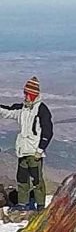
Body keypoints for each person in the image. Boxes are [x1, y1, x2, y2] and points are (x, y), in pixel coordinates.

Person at [1, 77, 53, 211]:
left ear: (32, 94)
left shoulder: (41, 109)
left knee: (37, 180)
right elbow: (8, 112)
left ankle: (40, 206)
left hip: (34, 151)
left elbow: (48, 131)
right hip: (23, 150)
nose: (25, 96)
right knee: (22, 178)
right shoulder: (23, 108)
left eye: (27, 94)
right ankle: (22, 204)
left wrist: (40, 149)